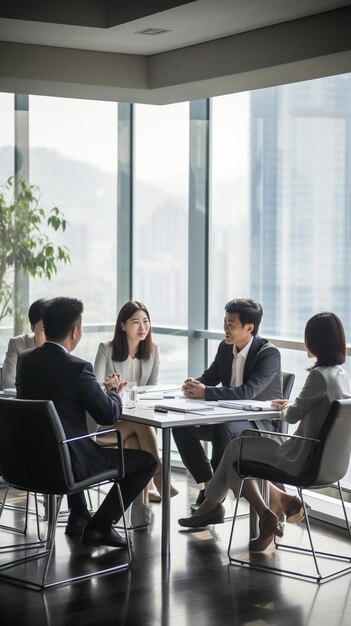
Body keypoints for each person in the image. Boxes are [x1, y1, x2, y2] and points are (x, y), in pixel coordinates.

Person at [178, 311, 351, 552]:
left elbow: (291, 415)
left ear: (316, 341)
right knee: (235, 453)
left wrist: (288, 406)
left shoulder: (317, 377)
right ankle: (265, 506)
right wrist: (290, 405)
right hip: (329, 464)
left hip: (299, 457)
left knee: (234, 451)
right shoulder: (342, 376)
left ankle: (243, 509)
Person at [16, 297, 157, 548]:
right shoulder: (78, 368)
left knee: (65, 440)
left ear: (45, 328)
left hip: (25, 463)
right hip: (69, 465)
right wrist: (113, 391)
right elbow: (108, 415)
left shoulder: (25, 361)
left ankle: (79, 513)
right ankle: (101, 525)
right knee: (147, 462)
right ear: (75, 331)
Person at [173, 298, 282, 510]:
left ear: (249, 327)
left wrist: (206, 393)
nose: (225, 328)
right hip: (228, 420)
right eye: (224, 322)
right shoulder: (225, 348)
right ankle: (209, 486)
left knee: (223, 430)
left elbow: (247, 392)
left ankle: (214, 501)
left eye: (230, 324)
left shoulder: (268, 354)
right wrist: (195, 385)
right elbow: (210, 377)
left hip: (258, 425)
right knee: (181, 427)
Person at [94, 300, 178, 511]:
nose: (142, 327)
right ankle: (160, 478)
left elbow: (152, 389)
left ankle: (139, 507)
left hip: (134, 423)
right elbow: (94, 389)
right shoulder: (106, 349)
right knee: (142, 426)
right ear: (123, 326)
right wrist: (111, 389)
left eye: (146, 321)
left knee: (132, 443)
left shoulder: (153, 349)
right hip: (106, 426)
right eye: (135, 322)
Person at [2, 298, 46, 389]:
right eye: (44, 329)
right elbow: (9, 384)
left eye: (53, 328)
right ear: (32, 327)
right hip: (21, 401)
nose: (50, 333)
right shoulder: (16, 344)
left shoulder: (59, 345)